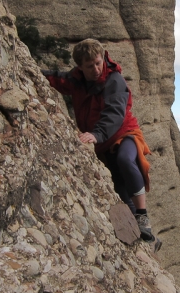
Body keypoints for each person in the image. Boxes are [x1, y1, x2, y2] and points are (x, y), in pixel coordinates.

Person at [42, 39, 161, 252]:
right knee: (118, 187)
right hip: (102, 143)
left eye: (98, 63)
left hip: (125, 133)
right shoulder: (77, 80)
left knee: (126, 159)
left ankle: (143, 217)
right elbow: (58, 79)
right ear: (80, 67)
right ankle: (149, 237)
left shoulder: (113, 80)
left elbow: (115, 113)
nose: (96, 69)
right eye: (90, 66)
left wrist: (96, 134)